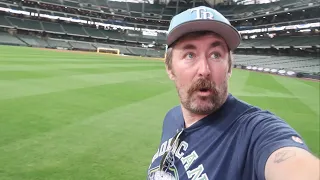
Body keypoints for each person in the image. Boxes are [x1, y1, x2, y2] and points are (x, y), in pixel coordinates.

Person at [147, 6, 319, 180]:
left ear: (229, 67)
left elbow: (291, 162)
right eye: (190, 55)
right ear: (170, 68)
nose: (204, 70)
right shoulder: (172, 118)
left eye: (215, 55)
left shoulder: (254, 131)